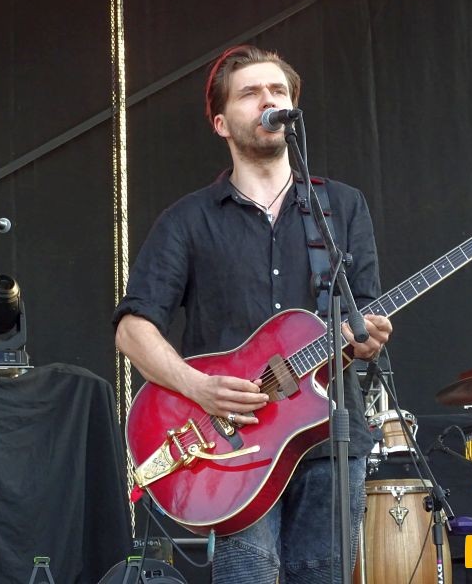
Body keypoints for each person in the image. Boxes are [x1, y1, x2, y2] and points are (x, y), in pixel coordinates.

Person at [113, 44, 392, 584]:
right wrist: (199, 388)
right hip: (234, 445)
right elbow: (132, 328)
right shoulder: (187, 220)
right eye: (250, 93)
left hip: (330, 435)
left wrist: (367, 337)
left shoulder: (342, 206)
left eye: (278, 90)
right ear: (221, 123)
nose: (269, 100)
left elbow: (364, 314)